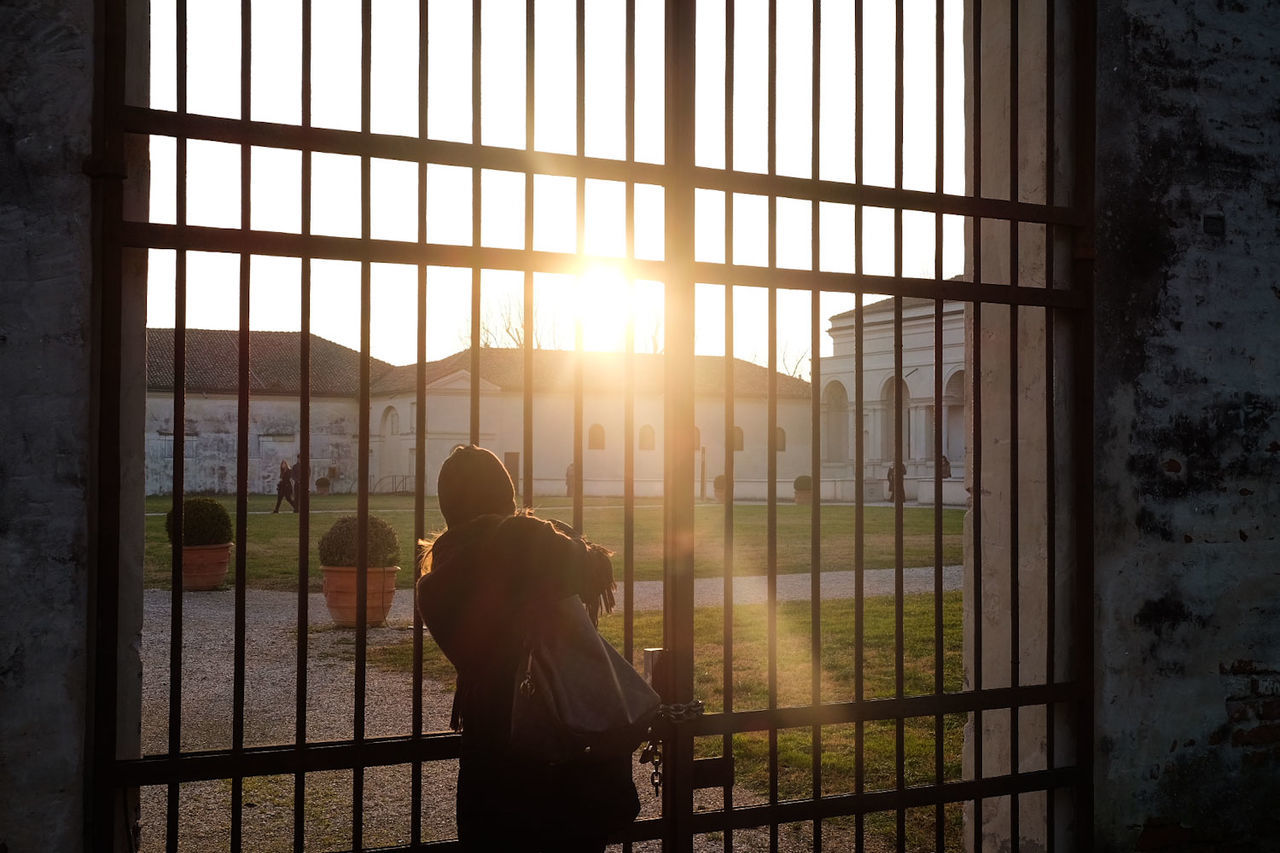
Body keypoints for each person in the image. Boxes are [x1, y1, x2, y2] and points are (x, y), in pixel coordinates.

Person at [416, 445, 638, 852]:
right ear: (506, 496)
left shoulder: (433, 585)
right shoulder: (524, 541)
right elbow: (592, 569)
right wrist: (539, 529)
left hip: (488, 753)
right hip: (561, 747)